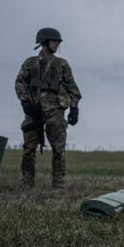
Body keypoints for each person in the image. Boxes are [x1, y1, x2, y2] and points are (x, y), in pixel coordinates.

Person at [15, 27, 81, 188]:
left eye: (58, 41)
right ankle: (27, 182)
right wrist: (25, 102)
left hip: (55, 111)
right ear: (44, 42)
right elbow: (19, 83)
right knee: (29, 148)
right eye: (54, 41)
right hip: (33, 111)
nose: (57, 44)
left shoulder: (62, 64)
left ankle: (58, 184)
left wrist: (74, 108)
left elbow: (73, 89)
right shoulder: (30, 63)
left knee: (59, 148)